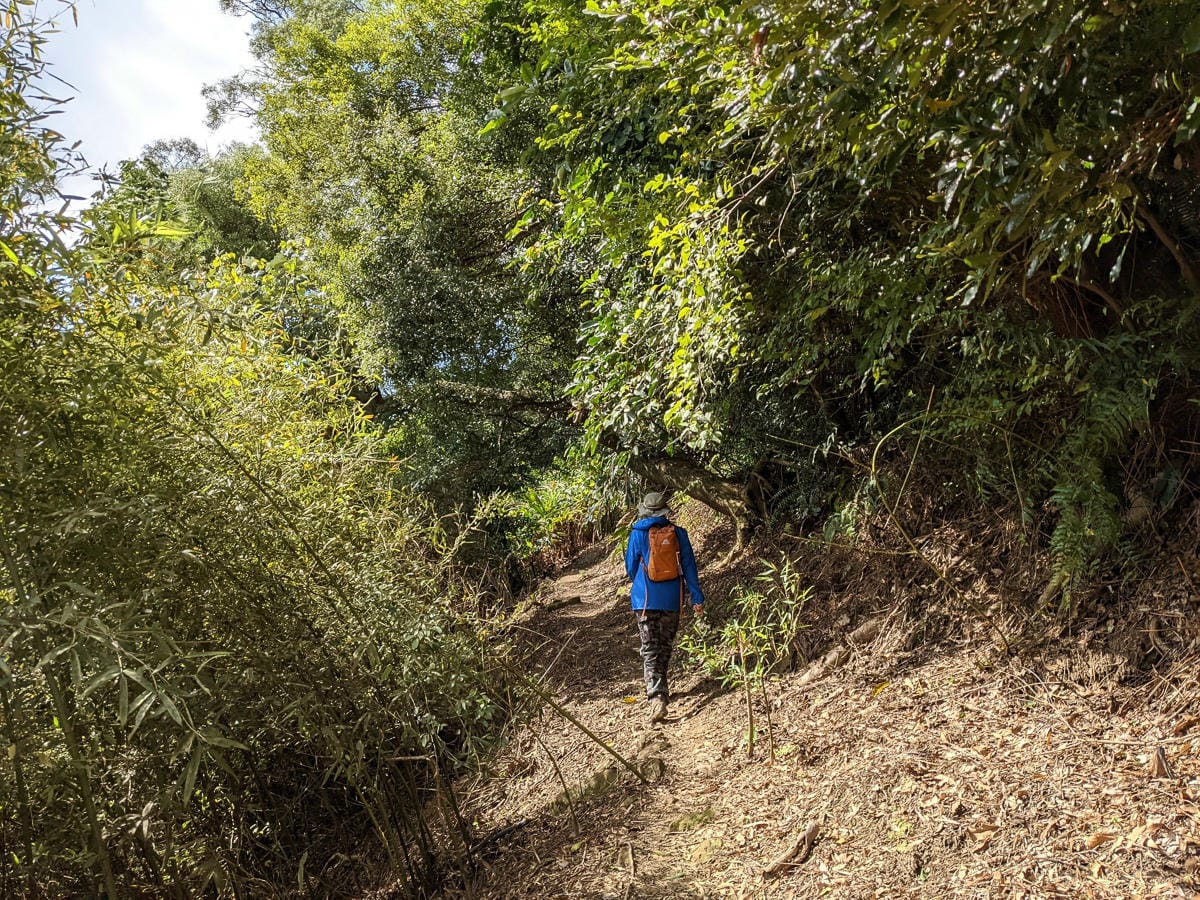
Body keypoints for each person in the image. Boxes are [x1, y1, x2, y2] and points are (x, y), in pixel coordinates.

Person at [624, 492, 704, 723]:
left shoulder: (637, 533)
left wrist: (642, 579)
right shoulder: (679, 534)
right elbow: (689, 567)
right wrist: (696, 597)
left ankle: (657, 696)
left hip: (645, 599)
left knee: (650, 646)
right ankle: (662, 688)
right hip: (672, 598)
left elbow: (630, 568)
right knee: (665, 645)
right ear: (664, 511)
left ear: (646, 511)